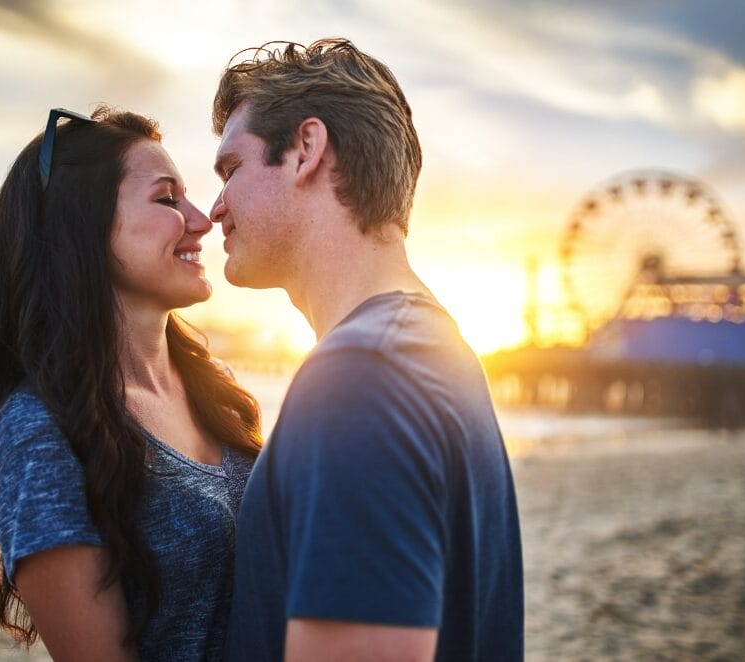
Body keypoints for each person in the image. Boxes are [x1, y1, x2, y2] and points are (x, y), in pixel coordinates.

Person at [210, 39, 524, 660]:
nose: (216, 206)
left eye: (231, 170)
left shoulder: (363, 379)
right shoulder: (432, 347)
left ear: (305, 149)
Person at [0, 106, 262, 661]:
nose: (201, 220)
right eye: (167, 198)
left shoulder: (214, 389)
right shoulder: (41, 431)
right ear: (85, 226)